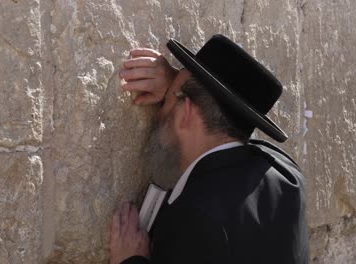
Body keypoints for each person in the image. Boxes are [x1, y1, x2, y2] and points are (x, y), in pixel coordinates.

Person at [109, 35, 310, 264]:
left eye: (166, 102)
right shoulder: (286, 173)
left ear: (186, 111)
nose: (161, 112)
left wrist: (130, 259)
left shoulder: (193, 216)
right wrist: (179, 88)